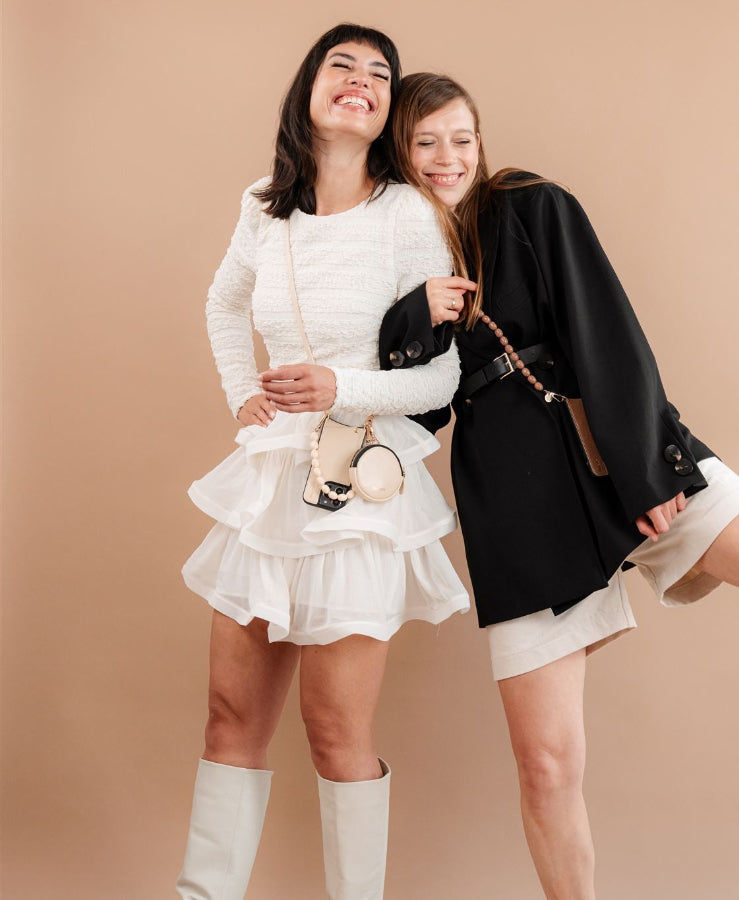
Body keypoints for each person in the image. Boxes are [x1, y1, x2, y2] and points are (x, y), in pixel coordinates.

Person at [378, 72, 739, 900]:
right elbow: (412, 410)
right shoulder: (395, 258)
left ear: (482, 141)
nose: (449, 159)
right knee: (546, 767)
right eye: (426, 142)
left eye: (463, 138)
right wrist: (414, 314)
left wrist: (644, 467)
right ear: (398, 152)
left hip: (618, 448)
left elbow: (608, 331)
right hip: (516, 499)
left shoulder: (531, 206)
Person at [177, 31, 469, 900]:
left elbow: (443, 374)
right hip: (271, 482)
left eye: (380, 73)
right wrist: (244, 391)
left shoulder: (409, 216)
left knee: (334, 730)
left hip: (360, 486)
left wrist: (336, 382)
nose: (362, 81)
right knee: (231, 718)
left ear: (386, 111)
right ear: (309, 88)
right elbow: (225, 302)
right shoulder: (264, 203)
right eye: (343, 65)